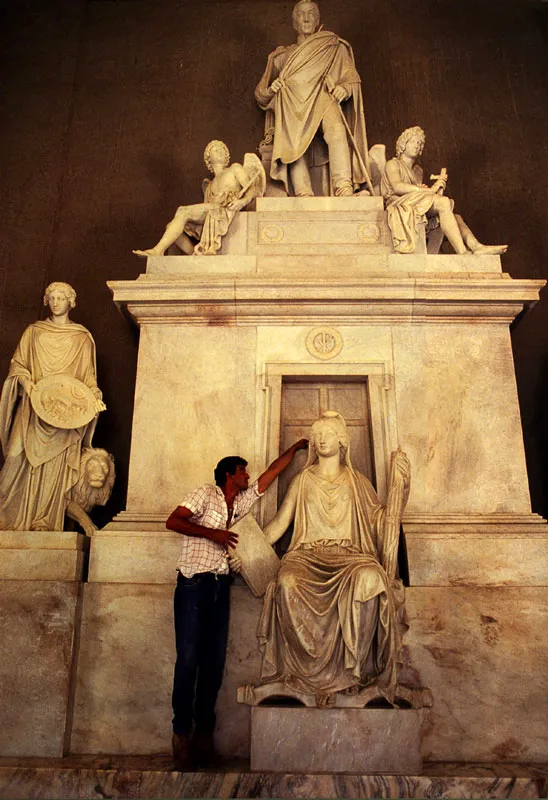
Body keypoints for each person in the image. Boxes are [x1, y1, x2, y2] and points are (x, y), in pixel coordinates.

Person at [165, 438, 307, 770]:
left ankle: (203, 735)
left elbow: (271, 473)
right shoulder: (205, 494)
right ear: (230, 473)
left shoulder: (241, 503)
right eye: (243, 471)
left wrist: (296, 448)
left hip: (219, 588)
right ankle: (180, 733)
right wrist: (211, 534)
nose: (247, 476)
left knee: (213, 664)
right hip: (193, 585)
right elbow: (173, 520)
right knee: (188, 659)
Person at [257, 412, 410, 704]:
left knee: (370, 578)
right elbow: (279, 524)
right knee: (287, 582)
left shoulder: (358, 482)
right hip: (307, 557)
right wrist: (247, 550)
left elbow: (380, 523)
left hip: (351, 558)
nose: (320, 438)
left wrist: (401, 491)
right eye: (316, 434)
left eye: (326, 432)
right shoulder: (303, 480)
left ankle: (355, 672)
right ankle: (306, 674)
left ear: (342, 439)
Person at [0, 282, 106, 531]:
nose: (56, 302)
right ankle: (6, 518)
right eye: (52, 297)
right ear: (47, 301)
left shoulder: (81, 338)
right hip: (33, 409)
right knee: (15, 458)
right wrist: (27, 384)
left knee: (55, 469)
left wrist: (94, 397)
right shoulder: (34, 332)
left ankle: (43, 521)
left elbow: (88, 379)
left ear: (71, 301)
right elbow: (18, 364)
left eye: (62, 297)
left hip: (64, 414)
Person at [255, 0, 371, 197]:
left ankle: (343, 186)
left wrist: (344, 88)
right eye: (301, 14)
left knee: (336, 130)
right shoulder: (282, 56)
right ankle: (303, 192)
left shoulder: (333, 47)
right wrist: (271, 89)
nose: (306, 17)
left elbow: (352, 78)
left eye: (311, 14)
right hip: (292, 105)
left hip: (324, 97)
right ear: (294, 22)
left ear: (317, 20)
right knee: (292, 140)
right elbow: (260, 93)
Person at [381, 126, 508, 255]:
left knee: (454, 215)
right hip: (399, 202)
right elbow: (397, 187)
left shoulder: (417, 171)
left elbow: (423, 198)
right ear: (403, 144)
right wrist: (425, 190)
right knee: (444, 203)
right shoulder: (393, 164)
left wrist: (437, 189)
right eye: (413, 141)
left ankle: (476, 246)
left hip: (414, 203)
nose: (417, 145)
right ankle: (463, 252)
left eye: (419, 143)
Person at [133, 140, 265, 257]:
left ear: (226, 156)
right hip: (212, 212)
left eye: (222, 149)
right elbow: (206, 213)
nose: (219, 151)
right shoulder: (210, 185)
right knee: (171, 227)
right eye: (215, 149)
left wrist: (241, 202)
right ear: (208, 158)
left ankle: (158, 251)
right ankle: (194, 254)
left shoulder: (235, 169)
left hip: (224, 209)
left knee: (182, 211)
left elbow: (253, 189)